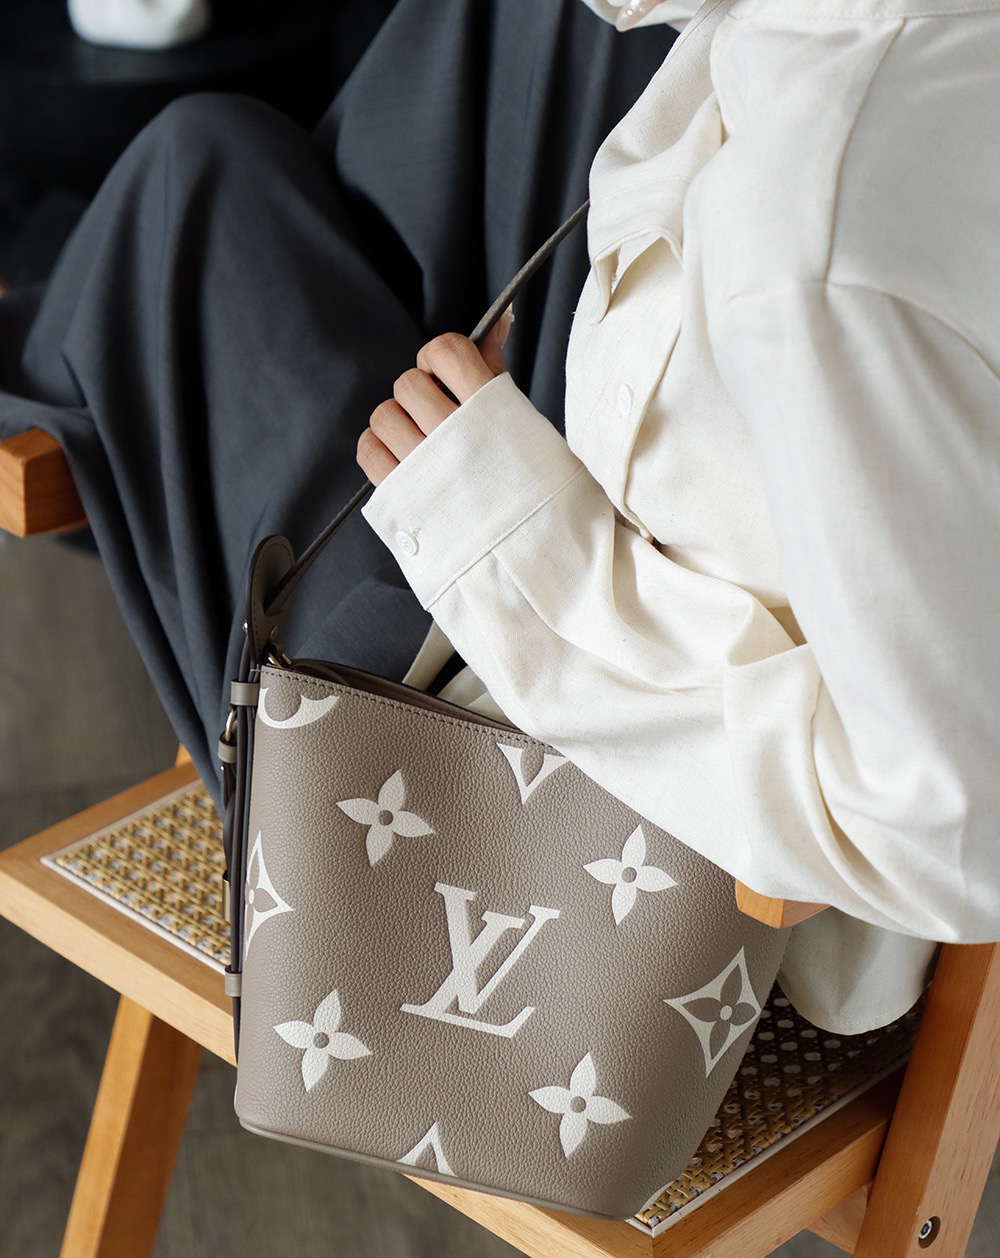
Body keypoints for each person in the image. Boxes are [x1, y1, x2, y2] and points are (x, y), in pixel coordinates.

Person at [2, 0, 998, 1036]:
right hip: (592, 600)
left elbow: (950, 832)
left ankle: (92, 332)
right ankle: (143, 310)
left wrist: (509, 523)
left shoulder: (804, 268)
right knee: (535, 23)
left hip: (553, 826)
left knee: (196, 178)